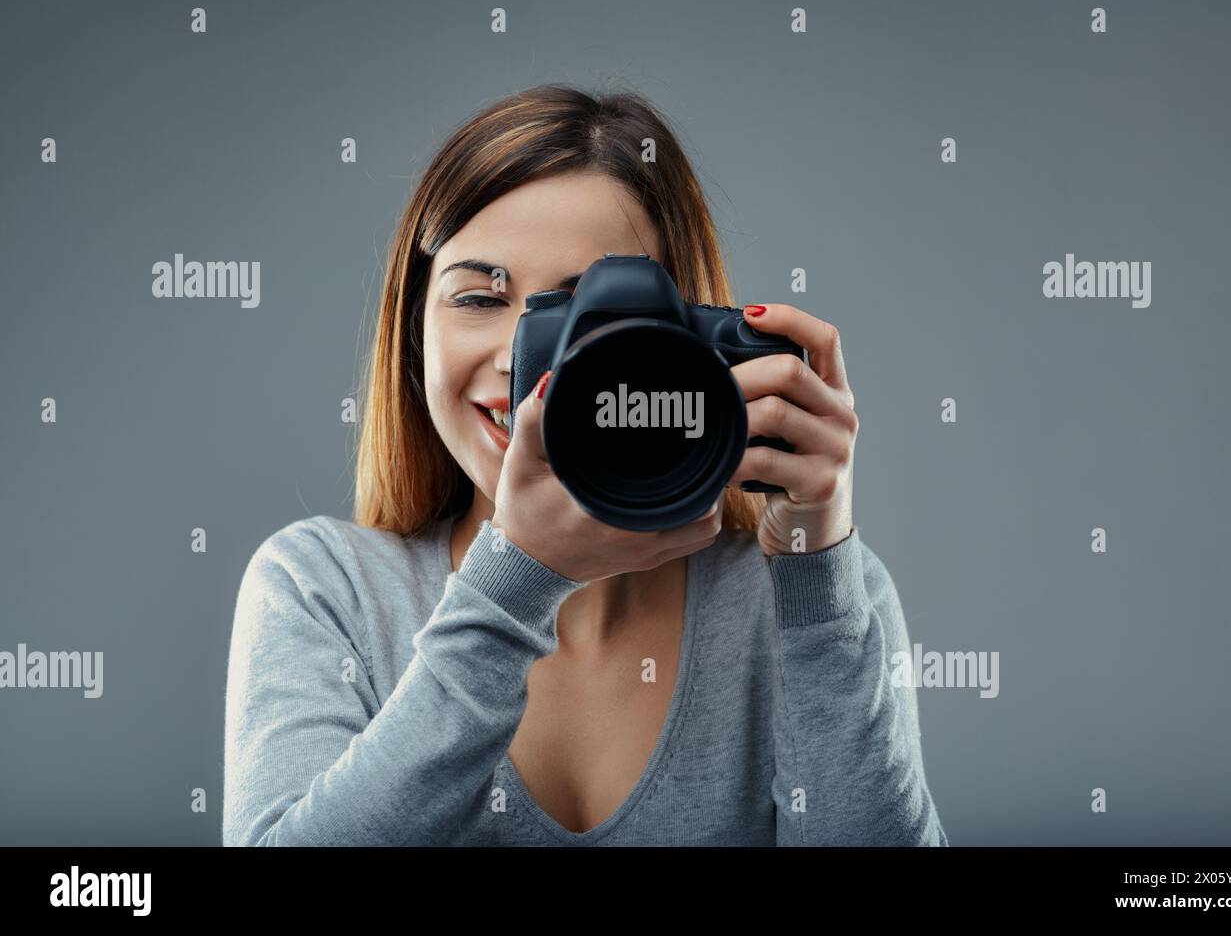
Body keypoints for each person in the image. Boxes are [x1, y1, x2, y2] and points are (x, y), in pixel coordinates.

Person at [222, 84, 948, 846]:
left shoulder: (808, 597)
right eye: (479, 298)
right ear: (414, 333)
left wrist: (816, 566)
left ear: (684, 346)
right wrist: (518, 579)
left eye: (581, 315)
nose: (524, 367)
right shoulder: (323, 588)